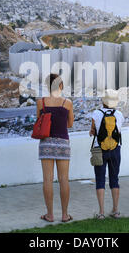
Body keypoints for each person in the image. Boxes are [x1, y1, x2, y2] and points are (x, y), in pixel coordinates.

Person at [37, 73, 74, 223]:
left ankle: (50, 214)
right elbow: (70, 124)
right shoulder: (67, 103)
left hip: (46, 143)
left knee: (47, 179)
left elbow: (38, 121)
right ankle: (65, 215)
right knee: (64, 179)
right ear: (61, 85)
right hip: (63, 142)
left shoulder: (41, 102)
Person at [89, 89, 124, 219]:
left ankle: (101, 212)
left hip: (100, 150)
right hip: (115, 150)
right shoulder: (119, 114)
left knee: (100, 179)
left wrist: (93, 131)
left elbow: (93, 131)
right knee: (114, 179)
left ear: (103, 101)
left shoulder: (96, 114)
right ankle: (115, 210)